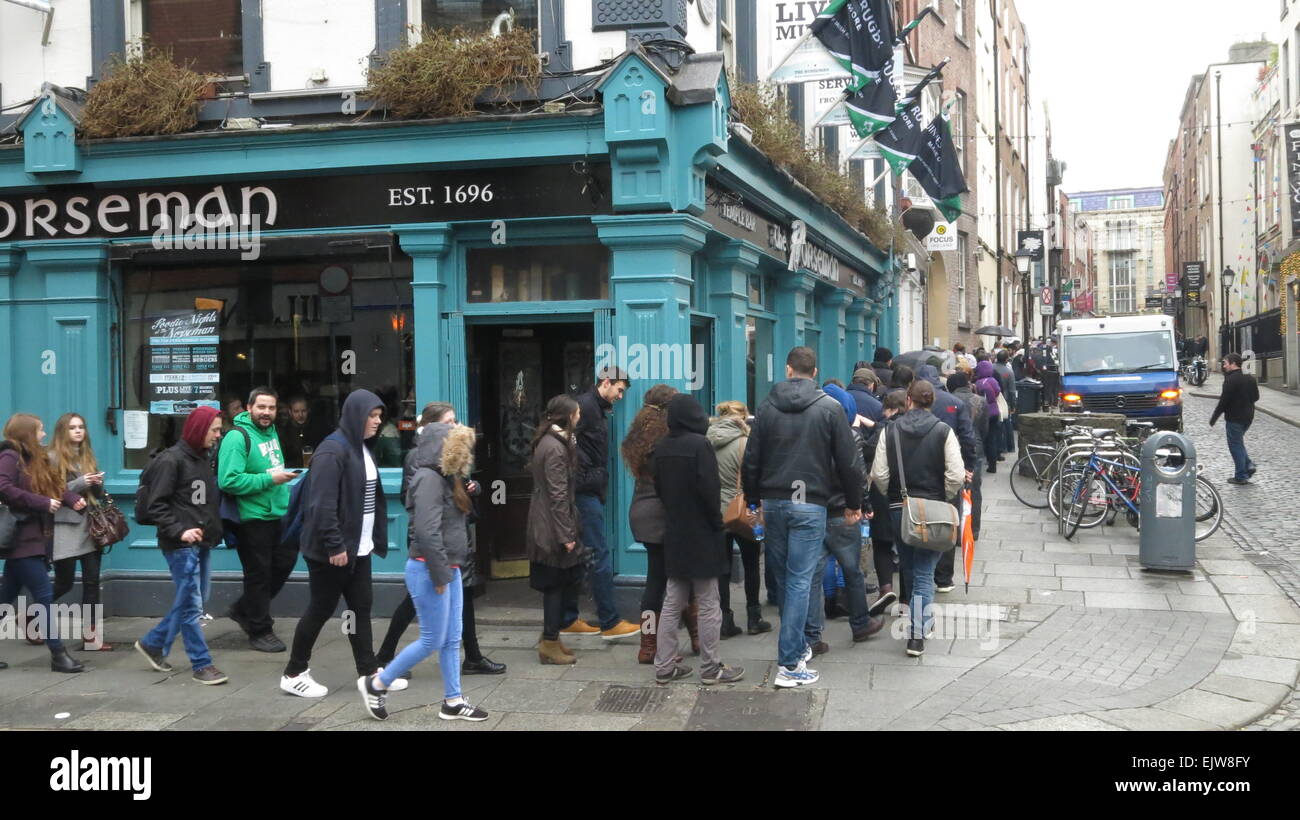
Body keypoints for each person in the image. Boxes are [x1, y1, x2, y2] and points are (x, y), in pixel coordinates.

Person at [742, 347, 864, 689]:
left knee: (784, 580)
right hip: (810, 502)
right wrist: (854, 503)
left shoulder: (766, 407)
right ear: (815, 372)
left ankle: (796, 649)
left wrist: (754, 501)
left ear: (787, 368)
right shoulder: (830, 408)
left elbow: (752, 458)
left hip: (775, 500)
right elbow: (848, 462)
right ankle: (791, 662)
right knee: (798, 581)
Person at [360, 412, 489, 722]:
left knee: (451, 637)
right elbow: (426, 532)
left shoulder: (445, 476)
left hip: (449, 567)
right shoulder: (428, 479)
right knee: (432, 639)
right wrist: (441, 574)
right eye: (456, 446)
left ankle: (453, 701)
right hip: (429, 569)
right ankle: (377, 684)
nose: (462, 453)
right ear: (440, 447)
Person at [377, 403, 505, 677]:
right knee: (417, 611)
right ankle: (385, 660)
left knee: (463, 600)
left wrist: (474, 488)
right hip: (434, 546)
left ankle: (471, 657)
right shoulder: (417, 458)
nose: (455, 426)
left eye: (455, 420)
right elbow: (415, 500)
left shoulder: (448, 453)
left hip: (454, 538)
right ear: (433, 426)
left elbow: (457, 488)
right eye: (449, 421)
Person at [282, 390, 391, 708]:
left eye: (379, 415)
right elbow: (321, 504)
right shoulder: (333, 450)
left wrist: (364, 542)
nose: (378, 420)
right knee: (320, 609)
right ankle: (293, 673)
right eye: (372, 415)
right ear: (356, 415)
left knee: (360, 608)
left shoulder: (361, 448)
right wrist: (335, 544)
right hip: (334, 549)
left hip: (359, 546)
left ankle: (369, 673)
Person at [651, 394, 744, 686]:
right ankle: (710, 667)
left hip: (675, 531)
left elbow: (659, 488)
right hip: (702, 532)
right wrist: (717, 524)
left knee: (672, 601)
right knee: (707, 602)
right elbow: (709, 489)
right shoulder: (699, 445)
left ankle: (664, 665)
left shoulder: (661, 447)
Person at [133, 407, 228, 685]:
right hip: (181, 545)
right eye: (214, 430)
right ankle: (202, 664)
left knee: (194, 599)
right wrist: (181, 531)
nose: (218, 435)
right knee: (191, 605)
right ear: (200, 429)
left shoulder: (201, 458)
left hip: (202, 542)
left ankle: (153, 642)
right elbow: (156, 505)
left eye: (219, 430)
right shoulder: (171, 461)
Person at [870, 381, 964, 657]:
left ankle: (919, 624)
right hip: (932, 508)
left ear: (908, 399)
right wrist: (942, 495)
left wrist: (893, 495)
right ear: (931, 400)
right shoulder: (943, 431)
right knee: (924, 571)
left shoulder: (891, 430)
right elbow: (957, 475)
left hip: (900, 506)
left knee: (909, 568)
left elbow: (879, 473)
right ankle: (917, 634)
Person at [0, 414, 87, 673]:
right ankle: (58, 655)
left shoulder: (34, 458)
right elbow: (2, 486)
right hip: (21, 538)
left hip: (34, 537)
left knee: (5, 597)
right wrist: (42, 503)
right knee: (44, 596)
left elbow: (52, 485)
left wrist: (71, 499)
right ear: (27, 433)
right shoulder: (10, 457)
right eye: (39, 430)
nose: (44, 434)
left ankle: (58, 655)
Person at [803, 384, 883, 653]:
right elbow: (857, 476)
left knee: (814, 572)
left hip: (814, 509)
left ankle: (813, 636)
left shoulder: (808, 436)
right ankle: (860, 622)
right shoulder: (849, 437)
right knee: (853, 571)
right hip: (842, 512)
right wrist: (862, 504)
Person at [562, 368, 641, 640]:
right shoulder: (584, 407)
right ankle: (609, 621)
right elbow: (562, 442)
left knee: (580, 555)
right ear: (605, 382)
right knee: (598, 553)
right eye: (619, 389)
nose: (620, 396)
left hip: (586, 489)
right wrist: (583, 476)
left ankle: (568, 618)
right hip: (583, 492)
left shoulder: (595, 407)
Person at [218, 387, 297, 652]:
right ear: (249, 408)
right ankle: (260, 629)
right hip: (251, 517)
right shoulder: (236, 437)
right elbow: (228, 480)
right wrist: (270, 479)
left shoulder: (270, 431)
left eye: (271, 408)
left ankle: (244, 609)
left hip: (277, 513)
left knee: (285, 562)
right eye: (261, 407)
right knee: (259, 575)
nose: (266, 413)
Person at [623, 385, 691, 664]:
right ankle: (669, 644)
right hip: (664, 516)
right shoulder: (667, 439)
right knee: (677, 581)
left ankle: (647, 646)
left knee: (655, 580)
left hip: (641, 513)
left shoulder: (638, 438)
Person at [527, 395, 585, 665]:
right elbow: (558, 494)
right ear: (567, 416)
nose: (579, 417)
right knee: (555, 585)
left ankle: (552, 637)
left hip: (550, 522)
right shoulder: (555, 447)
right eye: (577, 413)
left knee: (560, 583)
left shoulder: (555, 442)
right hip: (551, 526)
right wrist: (566, 535)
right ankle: (549, 641)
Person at [708, 400, 772, 638]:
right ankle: (754, 617)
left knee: (721, 568)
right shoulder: (745, 443)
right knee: (752, 562)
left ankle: (725, 620)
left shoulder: (707, 440)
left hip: (717, 511)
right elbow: (754, 477)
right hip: (745, 510)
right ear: (742, 418)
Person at [49, 412, 111, 651]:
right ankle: (31, 616)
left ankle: (91, 637)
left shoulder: (87, 456)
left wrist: (97, 482)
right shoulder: (52, 458)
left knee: (92, 581)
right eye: (72, 427)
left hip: (90, 526)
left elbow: (94, 493)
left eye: (81, 427)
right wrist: (82, 482)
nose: (78, 431)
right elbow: (51, 491)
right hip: (65, 527)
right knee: (64, 583)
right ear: (62, 431)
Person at [862, 391, 907, 616]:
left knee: (881, 543)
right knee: (908, 546)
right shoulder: (919, 427)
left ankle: (886, 589)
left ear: (892, 409)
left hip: (884, 493)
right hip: (912, 495)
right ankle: (906, 599)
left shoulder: (884, 428)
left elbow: (869, 454)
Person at [947, 371, 987, 541]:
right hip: (975, 446)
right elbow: (985, 428)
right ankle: (973, 529)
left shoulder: (949, 401)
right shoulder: (980, 401)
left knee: (953, 487)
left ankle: (955, 530)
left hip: (953, 446)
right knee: (974, 488)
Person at [1210, 352, 1260, 485]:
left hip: (1234, 418)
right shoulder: (1249, 378)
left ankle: (1241, 476)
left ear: (1233, 364)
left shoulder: (1230, 380)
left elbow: (1223, 401)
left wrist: (1213, 418)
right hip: (1248, 417)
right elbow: (1256, 397)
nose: (1224, 366)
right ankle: (1249, 465)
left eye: (1225, 363)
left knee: (1235, 445)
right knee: (1238, 443)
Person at [974, 361, 1003, 474]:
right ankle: (993, 464)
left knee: (982, 438)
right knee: (992, 438)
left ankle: (981, 461)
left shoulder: (977, 383)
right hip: (994, 411)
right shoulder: (993, 380)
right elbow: (997, 391)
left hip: (982, 413)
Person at [994, 351, 1018, 458]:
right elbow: (1012, 391)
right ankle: (1009, 447)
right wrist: (1013, 405)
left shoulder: (991, 368)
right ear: (1006, 359)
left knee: (996, 425)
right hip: (1005, 401)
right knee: (1007, 424)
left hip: (992, 400)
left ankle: (999, 447)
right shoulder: (1008, 372)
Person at [277, 396, 311, 469]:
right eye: (296, 411)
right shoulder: (284, 433)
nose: (300, 415)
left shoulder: (315, 429)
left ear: (308, 410)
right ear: (290, 412)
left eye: (303, 411)